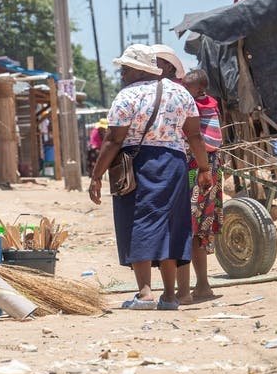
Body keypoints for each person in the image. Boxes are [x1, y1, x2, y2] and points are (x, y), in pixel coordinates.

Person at [90, 44, 212, 311]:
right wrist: (204, 169)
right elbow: (194, 135)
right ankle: (170, 296)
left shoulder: (126, 97)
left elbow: (113, 140)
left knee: (137, 222)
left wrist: (97, 175)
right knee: (172, 225)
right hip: (174, 165)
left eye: (125, 68)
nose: (121, 73)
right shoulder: (180, 93)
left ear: (138, 69)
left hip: (136, 165)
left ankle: (144, 293)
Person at [176, 70, 222, 304]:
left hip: (202, 170)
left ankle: (200, 284)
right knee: (194, 226)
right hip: (200, 168)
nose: (184, 90)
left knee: (195, 226)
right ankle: (197, 285)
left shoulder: (202, 107)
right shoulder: (196, 102)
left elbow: (207, 141)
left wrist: (202, 167)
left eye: (188, 87)